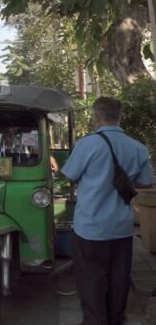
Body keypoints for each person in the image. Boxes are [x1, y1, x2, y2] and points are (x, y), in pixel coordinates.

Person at [60, 97, 153, 325]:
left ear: (96, 117)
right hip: (121, 228)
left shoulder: (88, 144)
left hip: (90, 228)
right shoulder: (138, 147)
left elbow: (68, 176)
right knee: (118, 280)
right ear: (119, 117)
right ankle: (115, 320)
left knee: (91, 280)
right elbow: (146, 182)